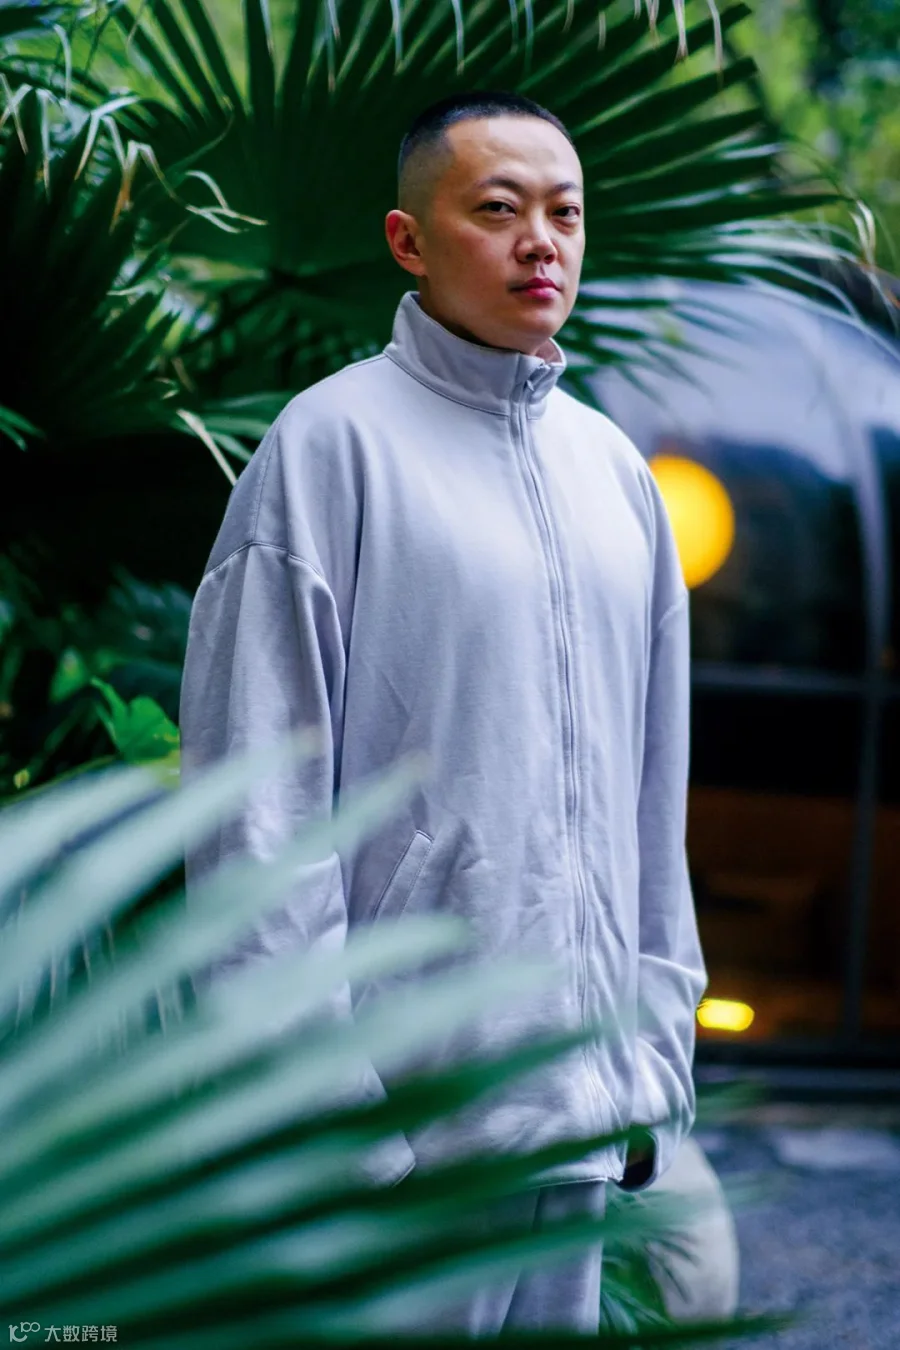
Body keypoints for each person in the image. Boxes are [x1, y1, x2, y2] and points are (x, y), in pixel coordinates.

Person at [179, 88, 708, 1335]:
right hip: (400, 1141)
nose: (542, 242)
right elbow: (257, 818)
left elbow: (653, 803)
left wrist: (652, 1068)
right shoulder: (328, 448)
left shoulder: (616, 475)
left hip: (581, 1122)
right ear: (408, 240)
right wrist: (336, 1123)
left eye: (566, 213)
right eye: (500, 209)